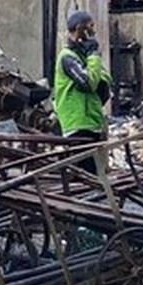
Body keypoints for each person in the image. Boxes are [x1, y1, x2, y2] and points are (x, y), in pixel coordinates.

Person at [53, 10, 112, 175]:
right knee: (85, 175)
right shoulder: (68, 58)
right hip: (78, 124)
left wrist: (93, 62)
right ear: (80, 29)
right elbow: (89, 83)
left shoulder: (83, 55)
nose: (93, 33)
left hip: (92, 122)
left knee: (96, 174)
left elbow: (106, 78)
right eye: (90, 27)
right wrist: (93, 56)